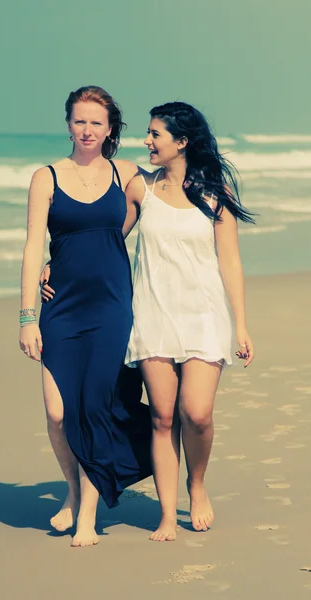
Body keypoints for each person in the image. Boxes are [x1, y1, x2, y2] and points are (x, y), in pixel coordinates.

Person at [19, 85, 151, 548]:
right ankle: (74, 491)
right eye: (79, 120)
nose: (87, 129)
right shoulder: (46, 177)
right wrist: (27, 316)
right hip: (62, 306)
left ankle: (88, 517)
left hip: (112, 306)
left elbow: (160, 198)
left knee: (93, 409)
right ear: (68, 124)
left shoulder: (126, 172)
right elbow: (35, 245)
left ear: (110, 127)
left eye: (97, 121)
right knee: (58, 414)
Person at [122, 101, 255, 540]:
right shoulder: (142, 188)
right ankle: (165, 514)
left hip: (203, 314)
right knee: (162, 417)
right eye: (147, 133)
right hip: (154, 312)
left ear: (181, 141)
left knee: (196, 414)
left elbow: (230, 260)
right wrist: (54, 265)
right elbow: (105, 239)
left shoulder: (216, 193)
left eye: (155, 134)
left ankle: (196, 485)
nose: (146, 141)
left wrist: (241, 324)